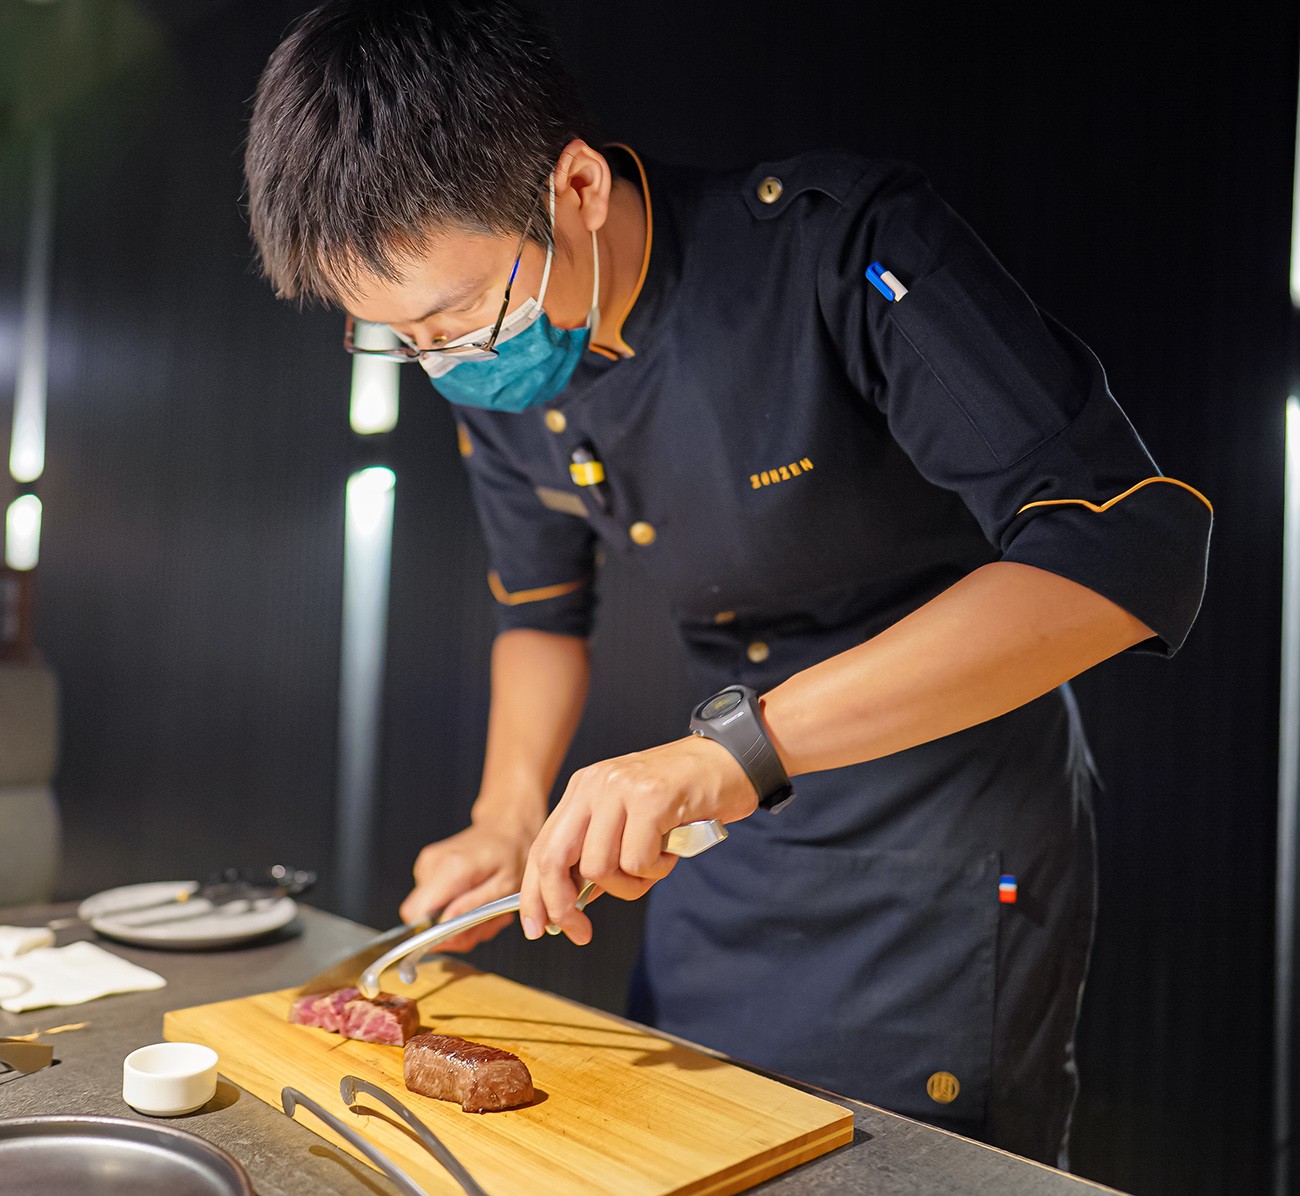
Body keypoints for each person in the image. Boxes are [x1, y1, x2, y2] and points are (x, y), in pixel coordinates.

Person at [243, 0, 1212, 1167]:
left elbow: (1118, 550)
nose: (447, 359)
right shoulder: (498, 378)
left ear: (580, 188)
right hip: (723, 834)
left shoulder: (836, 247)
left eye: (457, 314)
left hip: (939, 835)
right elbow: (539, 611)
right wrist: (508, 814)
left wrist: (732, 752)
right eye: (401, 338)